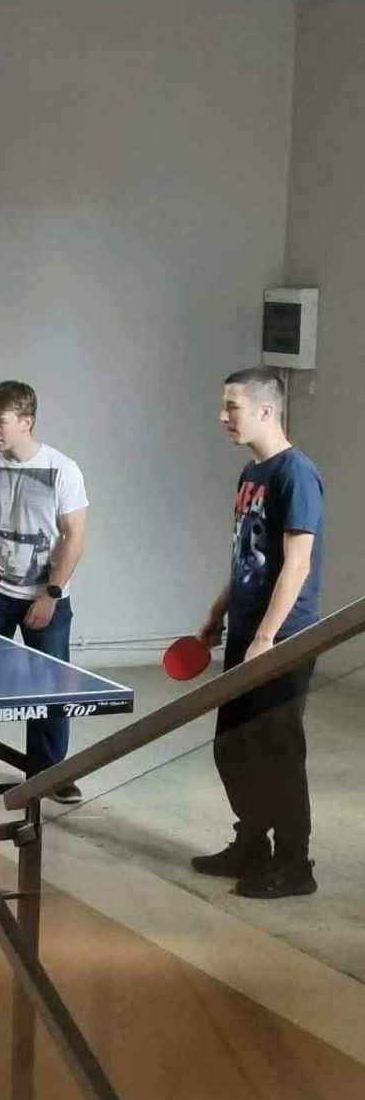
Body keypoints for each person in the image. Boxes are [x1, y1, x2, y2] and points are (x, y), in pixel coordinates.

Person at [190, 367, 323, 899]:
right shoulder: (252, 473)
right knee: (232, 748)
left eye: (233, 407)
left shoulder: (297, 474)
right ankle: (251, 845)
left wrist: (267, 638)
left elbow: (297, 564)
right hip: (248, 634)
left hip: (283, 639)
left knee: (278, 752)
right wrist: (216, 614)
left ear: (266, 410)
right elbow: (249, 557)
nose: (223, 416)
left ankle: (295, 864)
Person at [0, 380, 89, 804]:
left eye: (0, 422)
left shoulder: (63, 470)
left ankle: (49, 774)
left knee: (49, 687)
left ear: (26, 421)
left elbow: (75, 536)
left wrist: (51, 593)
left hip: (44, 594)